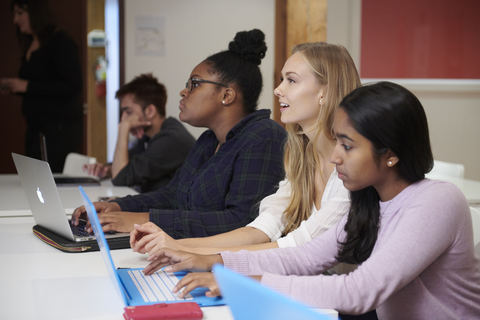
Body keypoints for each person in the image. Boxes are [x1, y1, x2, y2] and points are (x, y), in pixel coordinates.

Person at [145, 82, 480, 319]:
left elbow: (360, 291)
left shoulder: (436, 201)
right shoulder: (369, 200)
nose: (334, 157)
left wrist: (243, 283)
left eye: (347, 145)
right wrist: (211, 263)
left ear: (389, 154)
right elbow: (304, 259)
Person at [130, 42, 361, 256]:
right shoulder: (302, 158)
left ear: (324, 92)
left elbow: (300, 247)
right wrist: (177, 246)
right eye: (281, 80)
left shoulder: (352, 165)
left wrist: (200, 255)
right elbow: (262, 229)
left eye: (291, 80)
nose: (277, 90)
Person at [72, 29, 286, 237]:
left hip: (221, 264)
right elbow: (173, 195)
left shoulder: (264, 136)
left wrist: (145, 220)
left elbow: (243, 222)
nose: (184, 92)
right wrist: (117, 206)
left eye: (194, 84)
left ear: (227, 95)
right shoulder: (209, 140)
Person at [1, 0, 83, 172]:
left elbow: (72, 85)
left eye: (20, 13)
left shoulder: (60, 42)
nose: (15, 20)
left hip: (57, 132)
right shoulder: (31, 43)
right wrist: (15, 87)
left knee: (51, 181)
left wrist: (27, 87)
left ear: (35, 13)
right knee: (35, 180)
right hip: (35, 129)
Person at [83, 73, 195, 192]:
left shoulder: (171, 140)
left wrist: (124, 128)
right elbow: (126, 167)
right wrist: (106, 169)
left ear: (150, 111)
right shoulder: (149, 137)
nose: (123, 118)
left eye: (128, 112)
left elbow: (120, 178)